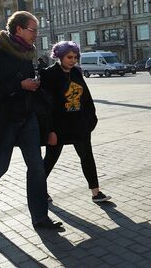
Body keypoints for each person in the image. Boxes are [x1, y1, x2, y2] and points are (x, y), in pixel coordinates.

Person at [0, 10, 62, 230]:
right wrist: (19, 85)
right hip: (4, 120)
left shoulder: (26, 55)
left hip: (27, 117)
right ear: (19, 29)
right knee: (1, 165)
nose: (36, 34)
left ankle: (40, 218)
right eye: (33, 29)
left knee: (37, 168)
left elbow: (25, 82)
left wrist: (34, 84)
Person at [41, 41, 111, 204]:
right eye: (69, 57)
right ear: (59, 56)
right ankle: (40, 191)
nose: (72, 60)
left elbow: (86, 97)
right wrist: (49, 130)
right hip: (58, 126)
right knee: (50, 159)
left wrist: (90, 120)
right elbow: (46, 105)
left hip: (79, 125)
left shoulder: (77, 73)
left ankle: (96, 193)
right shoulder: (49, 74)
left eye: (75, 57)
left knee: (87, 157)